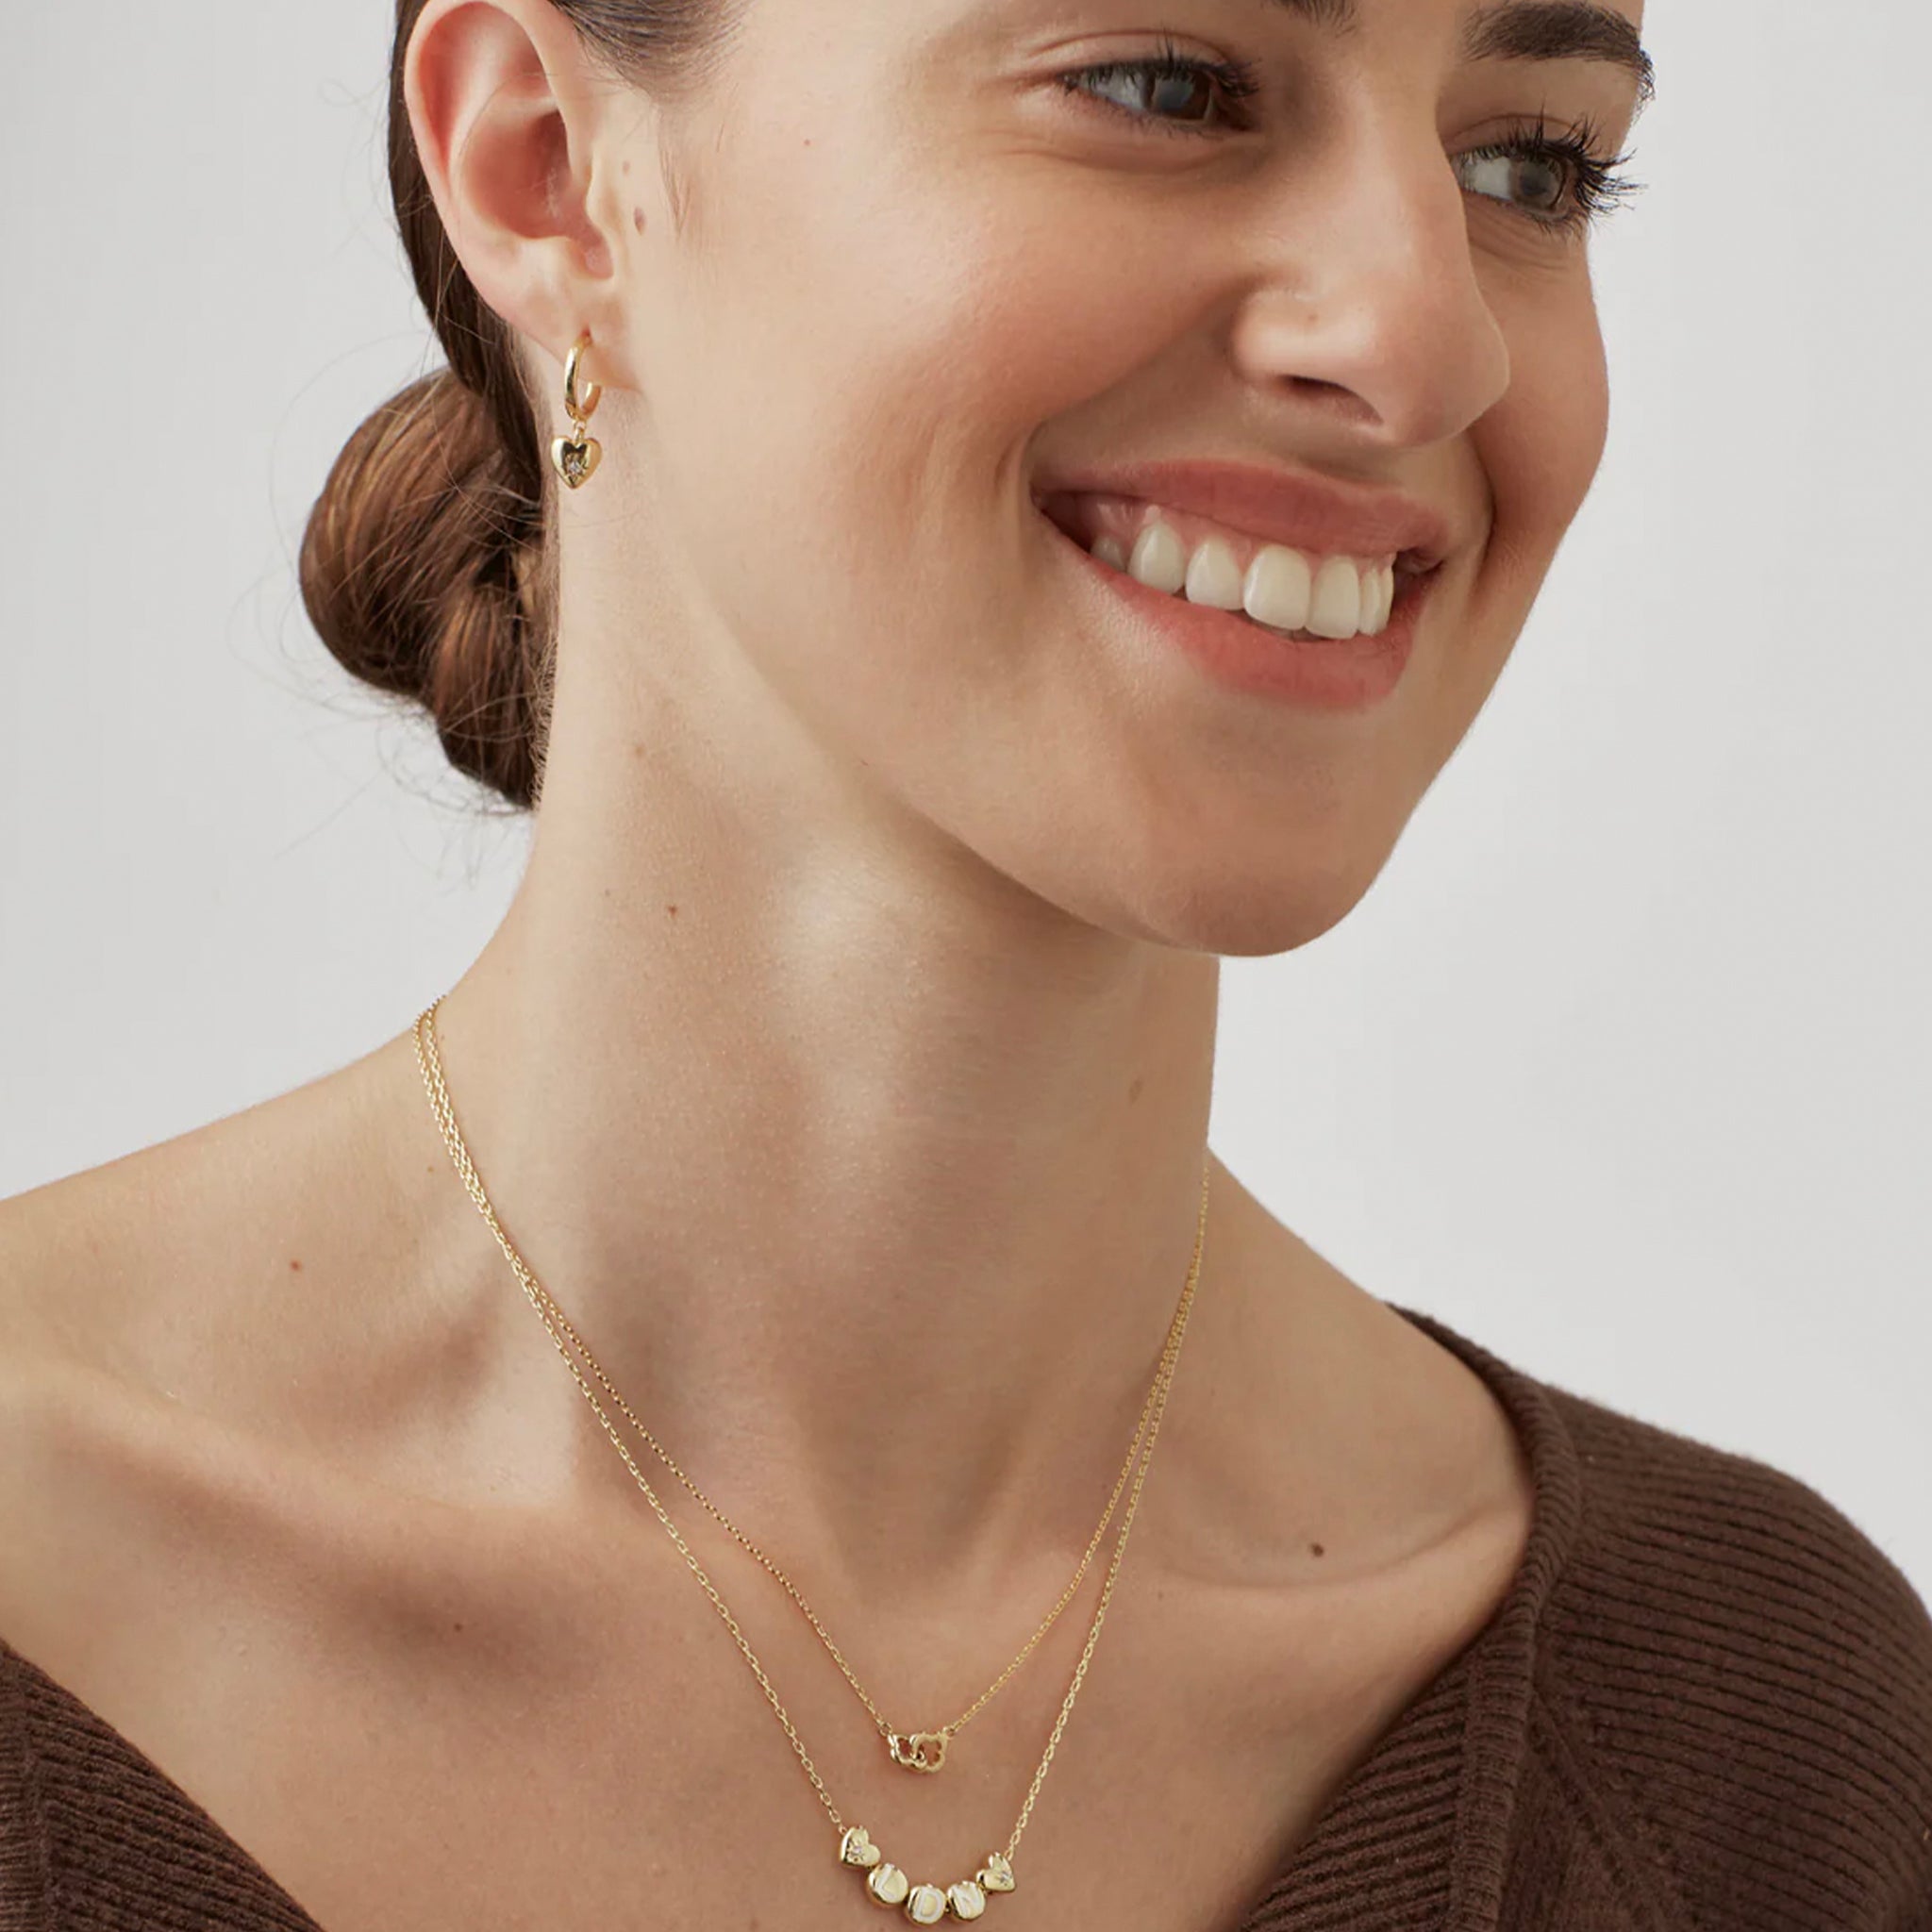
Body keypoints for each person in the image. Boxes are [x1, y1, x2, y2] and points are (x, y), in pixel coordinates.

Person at [3, 0, 1928, 1925]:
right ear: (548, 171)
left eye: (1528, 166)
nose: (1426, 338)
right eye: (1165, 88)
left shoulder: (1763, 1757)